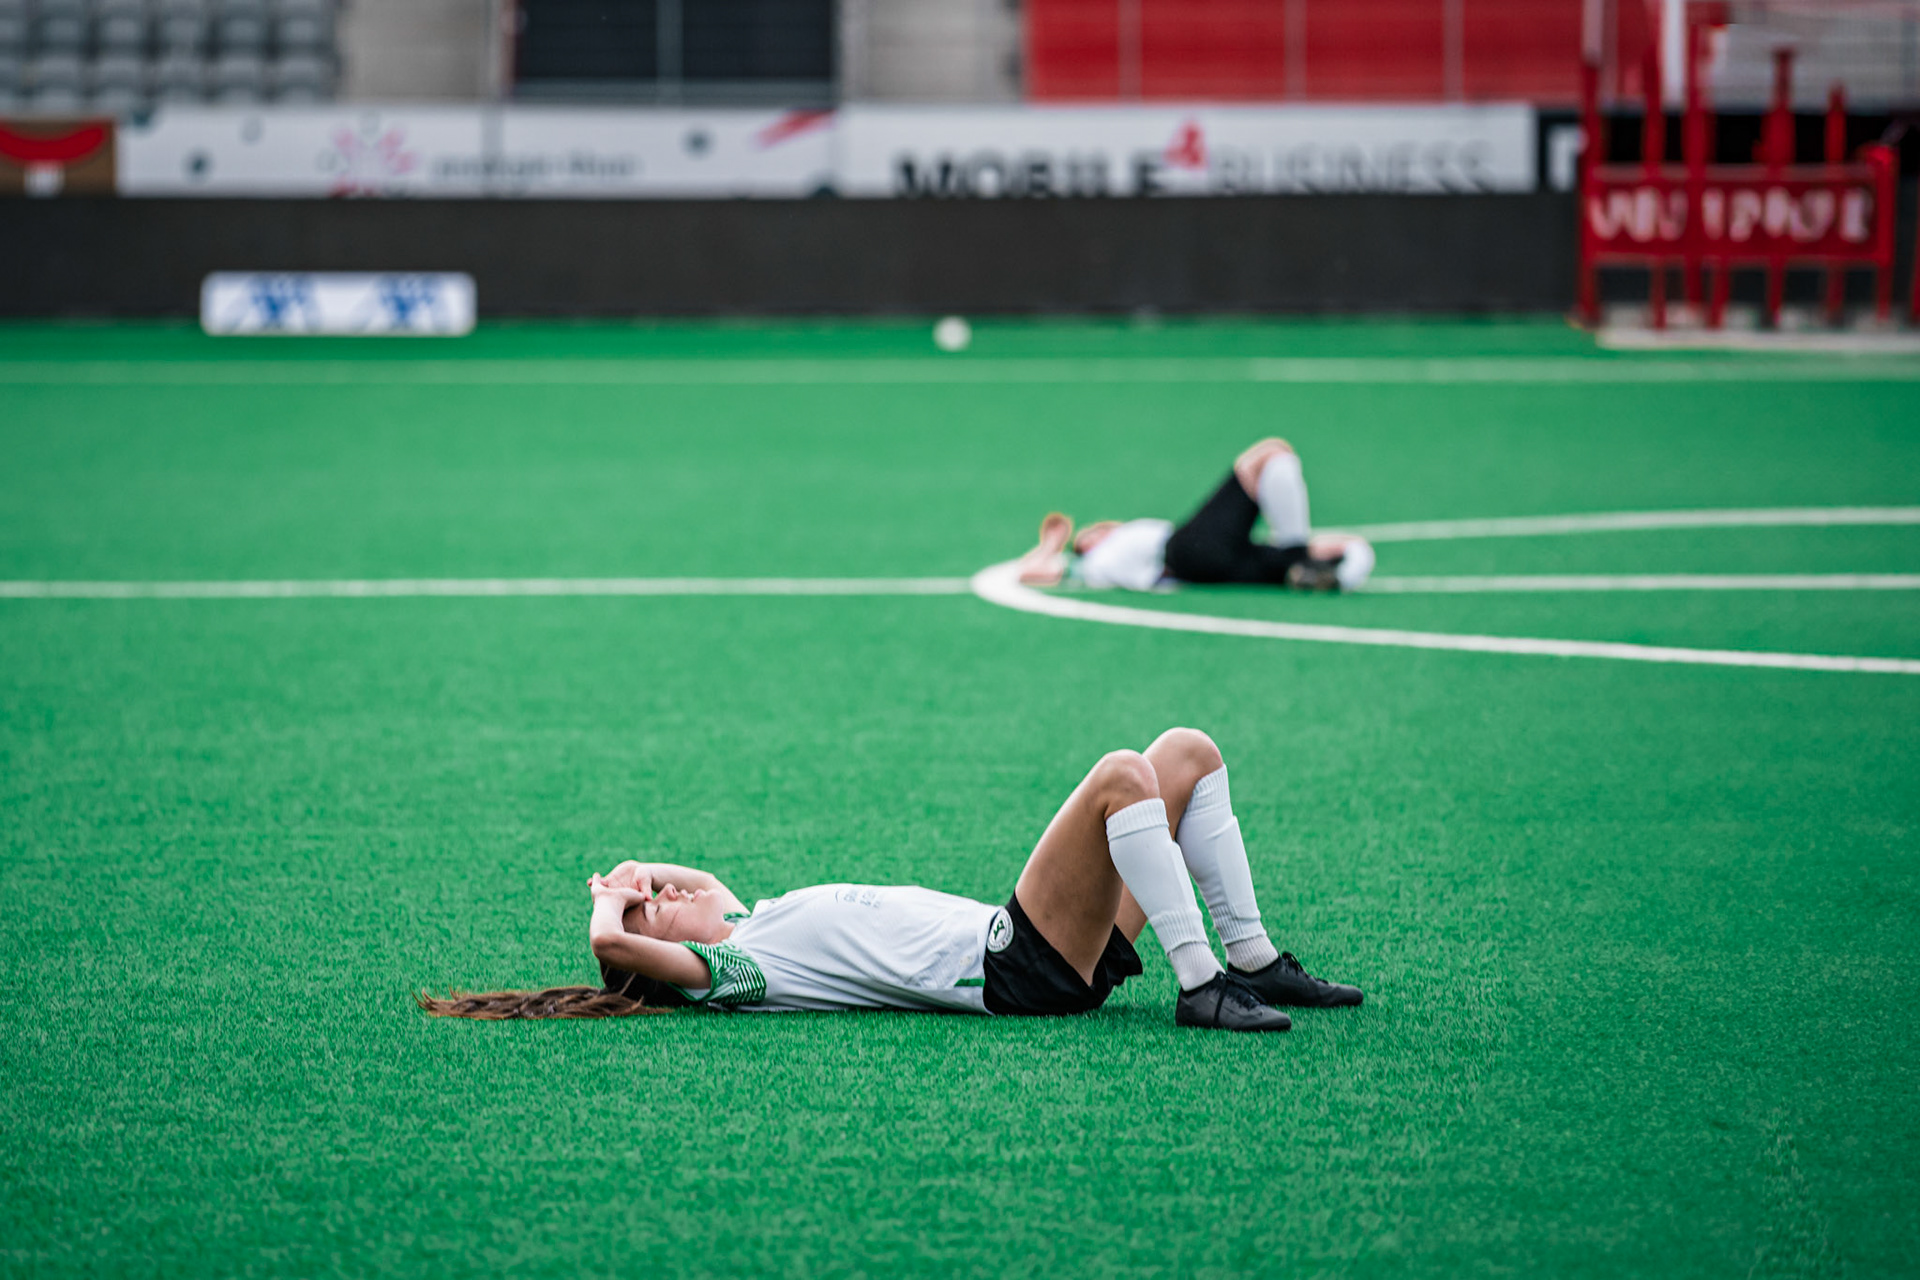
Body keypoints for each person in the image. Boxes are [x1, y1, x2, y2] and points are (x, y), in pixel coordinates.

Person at [418, 728, 1363, 1032]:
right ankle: (1204, 988)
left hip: (1029, 949)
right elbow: (611, 947)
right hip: (1013, 966)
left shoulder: (755, 919)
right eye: (657, 911)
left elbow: (694, 878)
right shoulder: (741, 978)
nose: (660, 896)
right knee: (1123, 774)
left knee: (1184, 754)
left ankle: (1251, 958)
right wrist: (609, 905)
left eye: (654, 893)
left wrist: (635, 870)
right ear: (676, 960)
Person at [1013, 438, 1375, 593]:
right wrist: (1053, 542)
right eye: (1088, 535)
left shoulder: (1112, 554)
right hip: (1186, 551)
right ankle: (1296, 555)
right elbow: (1029, 572)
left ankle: (1338, 571)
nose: (1094, 530)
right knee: (1269, 454)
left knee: (1311, 555)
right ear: (1088, 546)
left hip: (1206, 567)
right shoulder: (1094, 563)